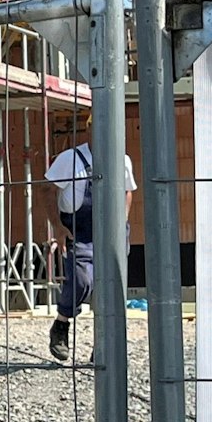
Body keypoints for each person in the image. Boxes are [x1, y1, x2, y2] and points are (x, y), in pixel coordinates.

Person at [46, 123, 137, 361]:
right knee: (82, 279)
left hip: (111, 232)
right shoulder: (70, 159)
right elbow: (47, 190)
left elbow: (128, 191)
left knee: (109, 288)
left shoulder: (122, 160)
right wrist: (58, 226)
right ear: (89, 130)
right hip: (79, 229)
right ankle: (62, 323)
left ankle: (103, 347)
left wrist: (122, 222)